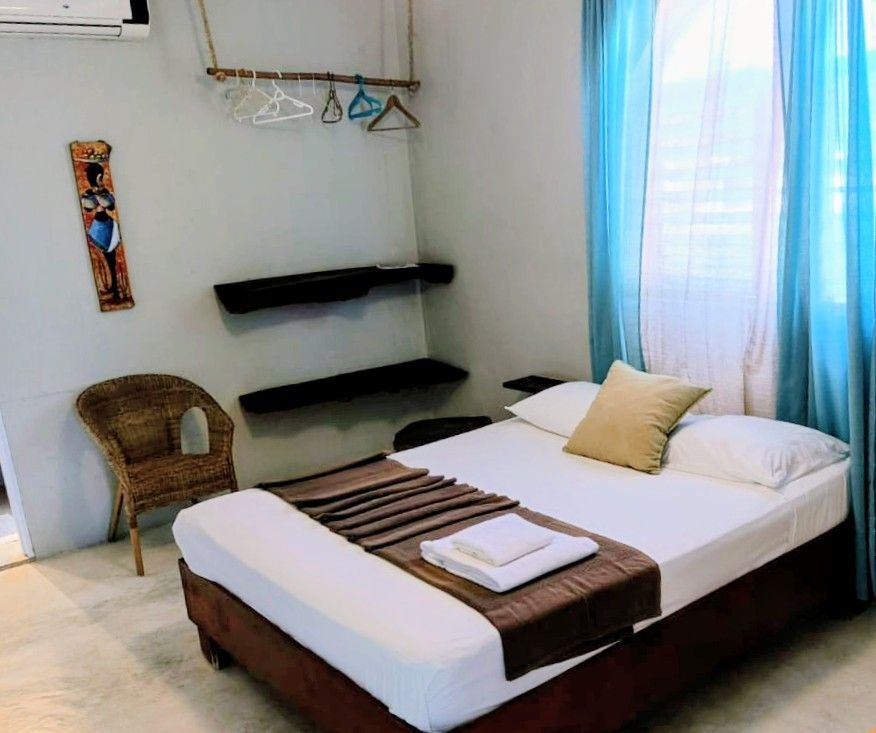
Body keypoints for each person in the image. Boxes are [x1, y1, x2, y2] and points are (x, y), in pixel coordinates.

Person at [80, 162, 121, 302]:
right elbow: (88, 206)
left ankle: (115, 288)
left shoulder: (103, 192)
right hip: (98, 228)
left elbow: (109, 205)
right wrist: (96, 192)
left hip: (107, 225)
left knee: (112, 258)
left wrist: (100, 190)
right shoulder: (89, 194)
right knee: (104, 258)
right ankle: (111, 286)